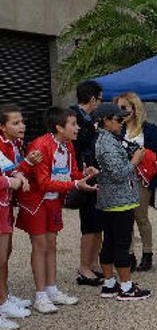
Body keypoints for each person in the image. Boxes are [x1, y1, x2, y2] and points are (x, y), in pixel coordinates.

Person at [18, 107, 98, 314]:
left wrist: (83, 174)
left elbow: (70, 173)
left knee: (52, 243)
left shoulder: (68, 145)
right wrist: (75, 185)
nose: (77, 128)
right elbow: (43, 182)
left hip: (53, 200)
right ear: (59, 127)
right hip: (36, 201)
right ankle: (40, 295)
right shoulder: (40, 145)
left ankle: (52, 289)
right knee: (40, 245)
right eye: (73, 124)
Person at [93, 102, 150, 301]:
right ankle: (126, 287)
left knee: (109, 242)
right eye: (118, 119)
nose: (122, 122)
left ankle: (110, 284)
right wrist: (135, 160)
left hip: (110, 200)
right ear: (106, 121)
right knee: (122, 243)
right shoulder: (108, 144)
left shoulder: (106, 140)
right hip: (119, 201)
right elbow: (119, 174)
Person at [115, 92, 157, 271]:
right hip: (122, 178)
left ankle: (147, 254)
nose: (120, 112)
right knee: (126, 218)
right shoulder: (116, 128)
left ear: (135, 108)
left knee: (141, 217)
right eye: (118, 108)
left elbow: (156, 155)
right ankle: (130, 254)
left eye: (124, 108)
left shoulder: (149, 129)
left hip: (142, 178)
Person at [0, 104, 35, 327]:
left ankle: (3, 296)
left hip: (5, 204)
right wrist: (9, 181)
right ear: (2, 127)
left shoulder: (13, 144)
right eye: (15, 122)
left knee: (4, 254)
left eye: (21, 121)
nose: (21, 125)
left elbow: (11, 168)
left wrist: (20, 174)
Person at [70, 80, 104, 287]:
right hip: (83, 175)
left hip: (93, 174)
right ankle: (84, 266)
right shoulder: (75, 118)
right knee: (89, 224)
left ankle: (94, 263)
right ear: (92, 99)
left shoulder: (89, 119)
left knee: (97, 223)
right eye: (99, 99)